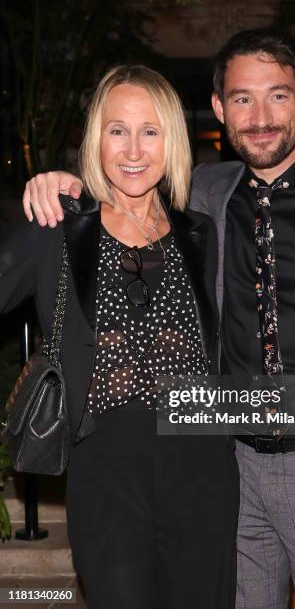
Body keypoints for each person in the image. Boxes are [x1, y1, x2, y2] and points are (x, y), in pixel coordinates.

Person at [21, 29, 295, 608]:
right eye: (242, 99)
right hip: (229, 462)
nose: (260, 116)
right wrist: (64, 183)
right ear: (221, 109)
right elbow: (126, 182)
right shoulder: (202, 194)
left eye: (277, 95)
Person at [1, 64, 239, 609]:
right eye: (117, 130)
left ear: (171, 140)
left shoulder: (199, 232)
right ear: (96, 139)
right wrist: (45, 181)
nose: (134, 149)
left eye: (150, 130)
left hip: (204, 468)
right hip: (106, 473)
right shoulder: (59, 225)